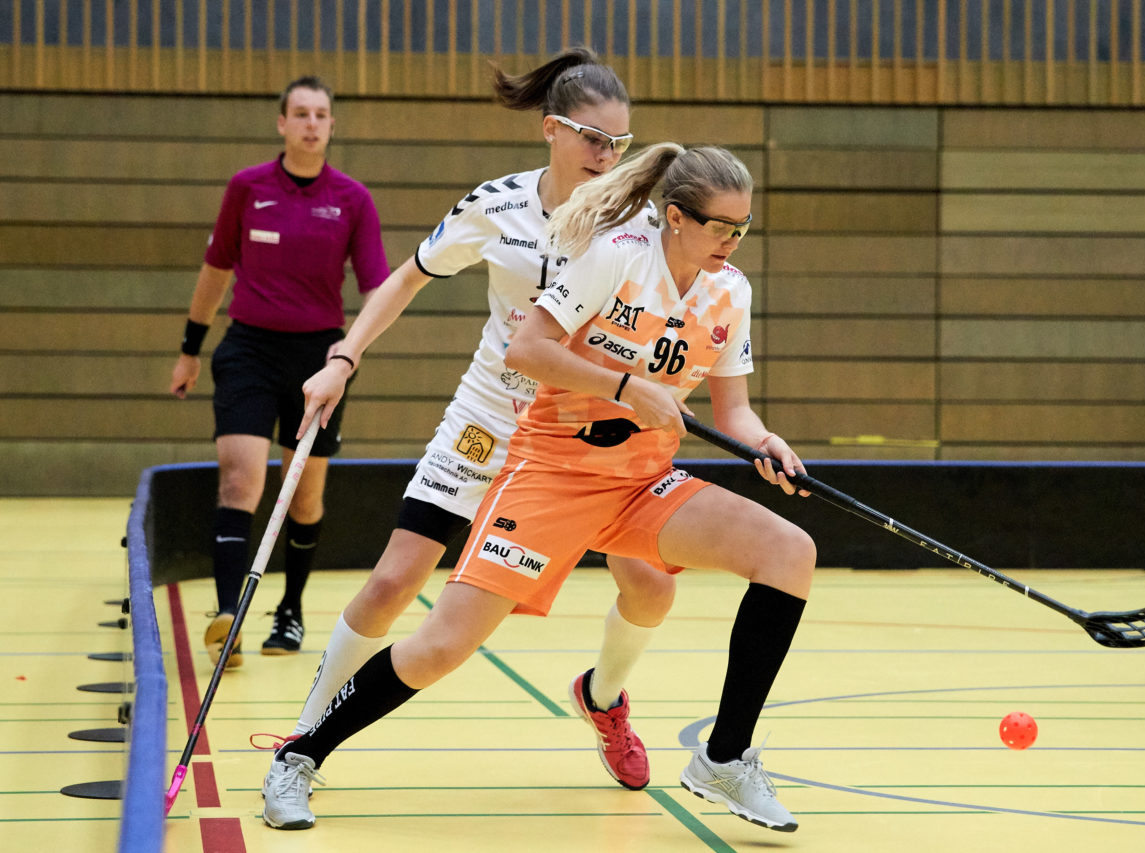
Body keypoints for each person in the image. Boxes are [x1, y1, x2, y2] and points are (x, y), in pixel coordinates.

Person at [261, 142, 816, 834]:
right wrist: (626, 387)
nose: (733, 243)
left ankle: (724, 757)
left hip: (643, 479)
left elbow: (734, 412)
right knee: (440, 647)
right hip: (552, 473)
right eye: (722, 228)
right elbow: (526, 349)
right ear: (675, 216)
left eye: (744, 228)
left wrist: (764, 442)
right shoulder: (618, 255)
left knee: (789, 551)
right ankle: (300, 755)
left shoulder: (730, 291)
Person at [267, 47, 676, 809]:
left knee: (649, 585)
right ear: (551, 130)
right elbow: (404, 279)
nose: (608, 157)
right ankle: (302, 742)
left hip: (580, 437)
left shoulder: (640, 223)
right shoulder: (498, 204)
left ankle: (605, 696)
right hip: (490, 418)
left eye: (620, 144)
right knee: (394, 580)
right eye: (593, 139)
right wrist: (343, 357)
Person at [169, 76, 389, 667]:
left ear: (331, 126)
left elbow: (377, 289)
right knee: (239, 480)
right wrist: (191, 348)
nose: (312, 123)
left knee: (304, 495)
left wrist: (348, 355)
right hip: (248, 350)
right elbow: (216, 270)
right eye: (301, 113)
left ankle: (288, 609)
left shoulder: (352, 199)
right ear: (282, 124)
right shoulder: (247, 188)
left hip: (317, 359)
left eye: (322, 114)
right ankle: (228, 618)